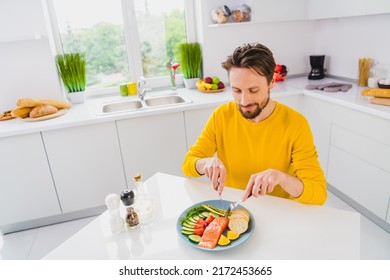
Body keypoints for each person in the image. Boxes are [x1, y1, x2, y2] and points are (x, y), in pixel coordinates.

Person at [182, 43, 327, 205]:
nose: (244, 101)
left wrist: (281, 177)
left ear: (272, 81)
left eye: (253, 90)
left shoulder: (296, 124)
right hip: (233, 207)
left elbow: (318, 193)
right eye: (237, 91)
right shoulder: (221, 116)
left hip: (278, 210)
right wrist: (205, 163)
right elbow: (188, 164)